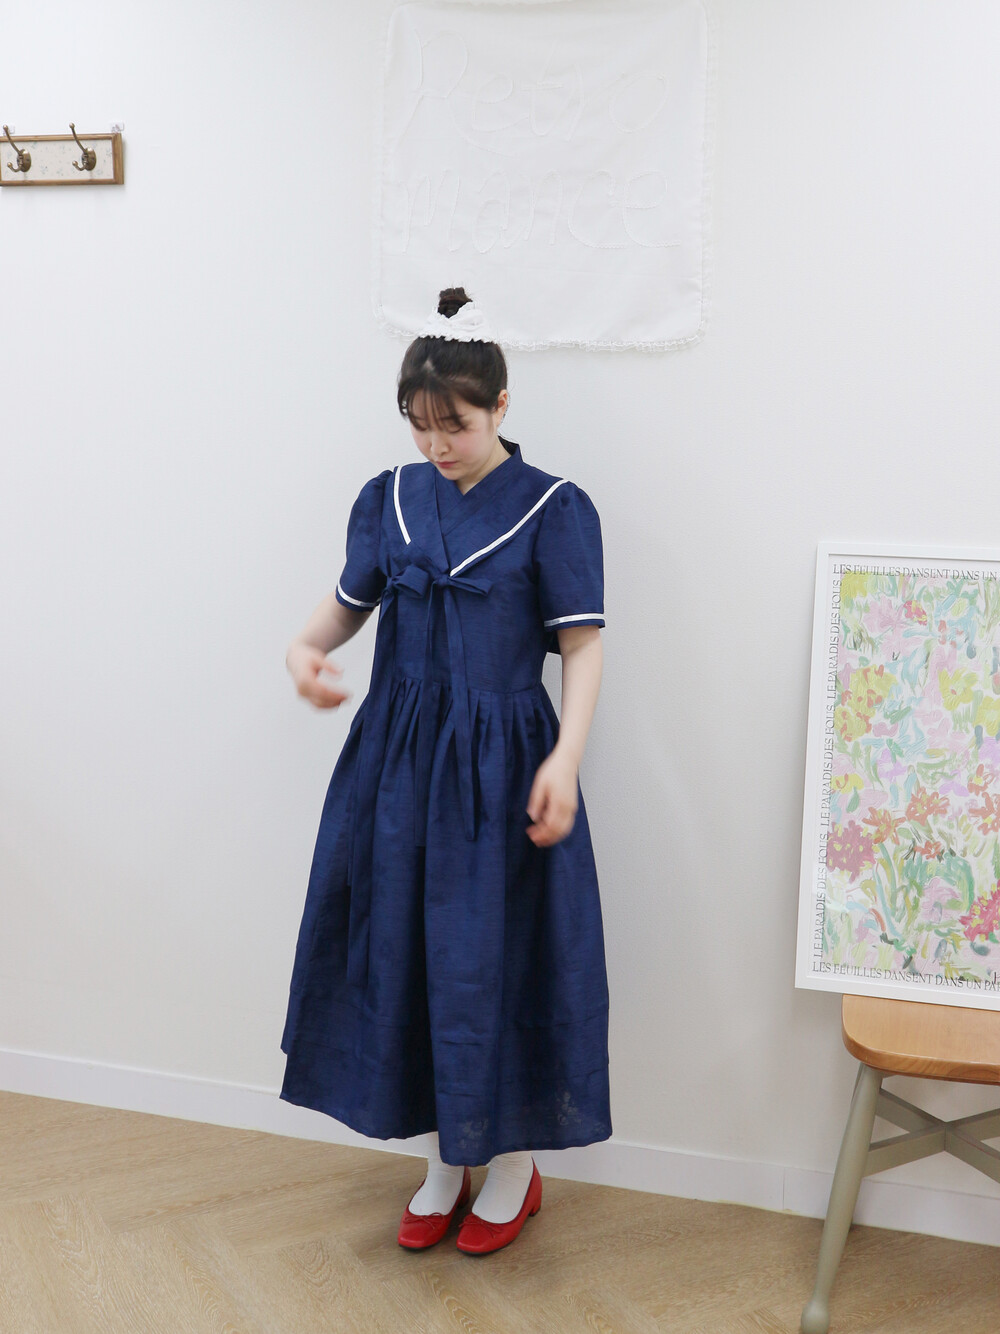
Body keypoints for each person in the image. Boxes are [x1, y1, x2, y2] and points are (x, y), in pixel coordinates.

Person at [279, 286, 612, 1255]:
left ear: (500, 404)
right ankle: (440, 1159)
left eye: (454, 424)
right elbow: (346, 607)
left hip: (502, 774)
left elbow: (582, 647)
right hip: (396, 772)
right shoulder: (389, 497)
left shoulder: (553, 507)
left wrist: (565, 757)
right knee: (409, 957)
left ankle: (510, 1164)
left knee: (492, 962)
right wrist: (304, 648)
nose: (437, 444)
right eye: (420, 424)